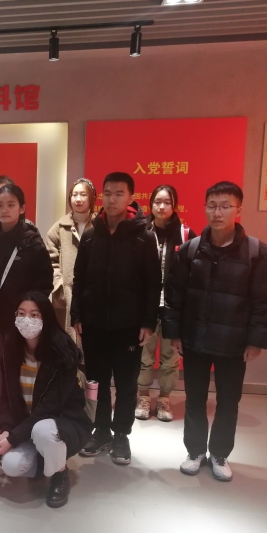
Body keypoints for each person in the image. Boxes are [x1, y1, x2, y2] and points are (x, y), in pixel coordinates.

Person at [164, 181, 267, 482]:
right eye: (212, 206)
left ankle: (219, 453)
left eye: (225, 206)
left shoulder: (256, 252)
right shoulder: (191, 249)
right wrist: (174, 333)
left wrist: (257, 340)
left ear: (238, 209)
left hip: (234, 343)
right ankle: (195, 451)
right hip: (195, 340)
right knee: (194, 399)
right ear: (204, 208)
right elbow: (174, 296)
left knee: (228, 401)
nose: (218, 213)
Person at [72, 172, 161, 466]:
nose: (112, 199)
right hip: (94, 324)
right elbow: (79, 278)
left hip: (128, 326)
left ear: (131, 198)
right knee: (96, 381)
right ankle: (100, 430)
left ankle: (121, 433)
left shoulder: (143, 236)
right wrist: (77, 315)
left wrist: (148, 322)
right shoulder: (91, 235)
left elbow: (153, 283)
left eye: (119, 193)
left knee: (126, 382)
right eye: (108, 193)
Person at [0, 292, 93, 508]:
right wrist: (7, 429)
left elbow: (50, 408)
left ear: (46, 317)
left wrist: (13, 438)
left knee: (43, 430)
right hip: (26, 424)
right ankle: (48, 461)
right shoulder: (10, 349)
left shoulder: (63, 353)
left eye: (34, 314)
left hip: (64, 423)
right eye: (21, 313)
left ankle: (59, 473)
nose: (26, 320)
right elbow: (5, 398)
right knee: (11, 465)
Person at [0, 183, 53, 423]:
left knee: (22, 372)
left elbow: (45, 283)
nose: (4, 209)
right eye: (0, 205)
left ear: (22, 208)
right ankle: (1, 422)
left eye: (11, 205)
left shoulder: (33, 243)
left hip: (23, 324)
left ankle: (23, 421)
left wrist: (28, 308)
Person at [135, 184, 196, 422]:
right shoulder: (141, 232)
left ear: (174, 205)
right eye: (157, 201)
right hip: (146, 307)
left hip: (173, 308)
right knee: (144, 356)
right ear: (150, 204)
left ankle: (164, 399)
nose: (161, 206)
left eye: (167, 202)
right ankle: (142, 396)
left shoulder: (185, 234)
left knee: (170, 359)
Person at [45, 177, 97, 340]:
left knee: (91, 342)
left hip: (93, 296)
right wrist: (60, 287)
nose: (78, 199)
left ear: (91, 199)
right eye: (74, 195)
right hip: (66, 295)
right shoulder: (59, 228)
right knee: (67, 341)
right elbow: (49, 262)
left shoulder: (100, 226)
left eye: (83, 194)